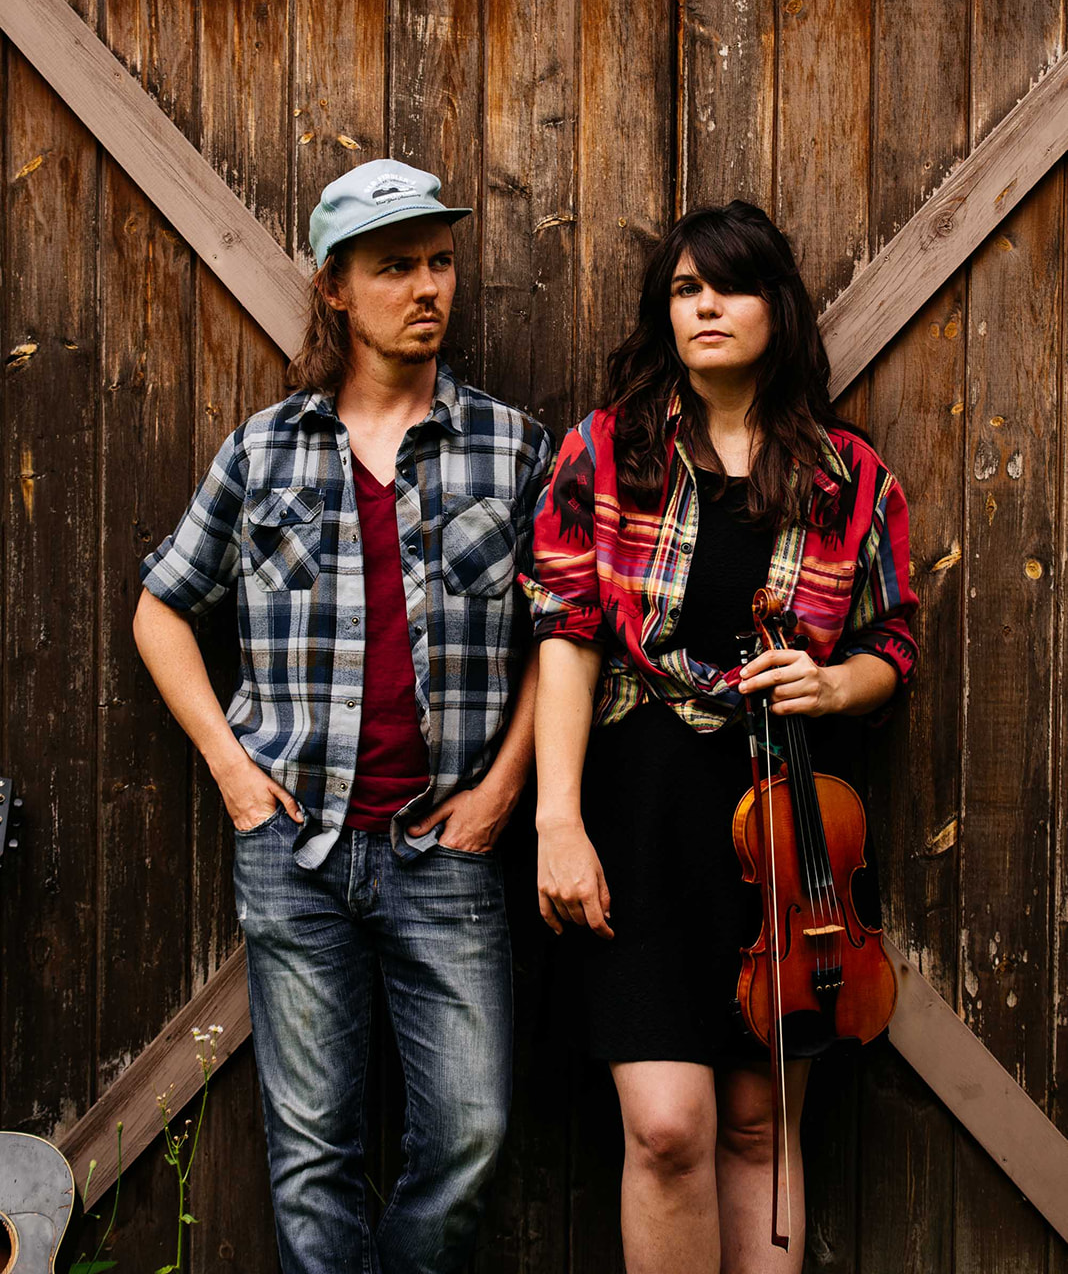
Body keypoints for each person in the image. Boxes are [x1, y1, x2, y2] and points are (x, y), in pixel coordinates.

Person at [133, 158, 553, 1274]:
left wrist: (509, 783)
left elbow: (566, 639)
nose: (428, 287)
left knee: (470, 1134)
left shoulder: (512, 447)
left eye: (440, 262)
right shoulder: (265, 447)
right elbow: (161, 609)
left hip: (445, 849)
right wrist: (230, 768)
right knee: (311, 1154)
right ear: (334, 287)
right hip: (295, 850)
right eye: (394, 266)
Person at [524, 202, 917, 1274]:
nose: (704, 306)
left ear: (775, 308)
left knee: (756, 1125)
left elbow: (895, 641)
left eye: (729, 287)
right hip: (641, 815)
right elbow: (566, 632)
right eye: (685, 290)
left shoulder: (850, 477)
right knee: (666, 1127)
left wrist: (835, 685)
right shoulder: (605, 452)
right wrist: (557, 818)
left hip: (787, 830)